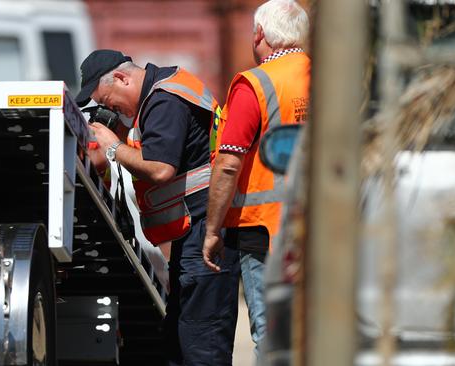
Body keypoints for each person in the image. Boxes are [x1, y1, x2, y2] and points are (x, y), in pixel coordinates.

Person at [76, 49, 240, 365]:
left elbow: (161, 169)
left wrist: (114, 147)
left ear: (122, 78)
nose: (112, 110)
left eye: (109, 101)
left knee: (200, 345)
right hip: (198, 231)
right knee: (179, 342)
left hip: (205, 235)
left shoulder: (163, 100)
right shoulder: (166, 90)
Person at [202, 0, 310, 356]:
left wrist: (213, 230)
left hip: (264, 233)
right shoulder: (326, 79)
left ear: (260, 34)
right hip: (323, 227)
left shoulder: (255, 84)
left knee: (271, 334)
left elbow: (229, 163)